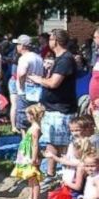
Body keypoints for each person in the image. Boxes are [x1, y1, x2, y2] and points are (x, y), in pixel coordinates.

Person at [28, 29, 78, 186]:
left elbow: (54, 83)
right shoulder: (58, 59)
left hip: (61, 109)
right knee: (51, 142)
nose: (49, 41)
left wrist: (38, 79)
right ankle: (50, 174)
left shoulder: (66, 59)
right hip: (52, 107)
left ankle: (65, 175)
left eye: (50, 39)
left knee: (62, 144)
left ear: (55, 41)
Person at [12, 104, 46, 199]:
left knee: (34, 178)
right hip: (27, 154)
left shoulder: (35, 128)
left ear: (33, 115)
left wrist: (34, 158)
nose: (27, 117)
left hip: (31, 155)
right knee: (30, 177)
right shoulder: (32, 127)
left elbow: (35, 144)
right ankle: (30, 197)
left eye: (28, 114)